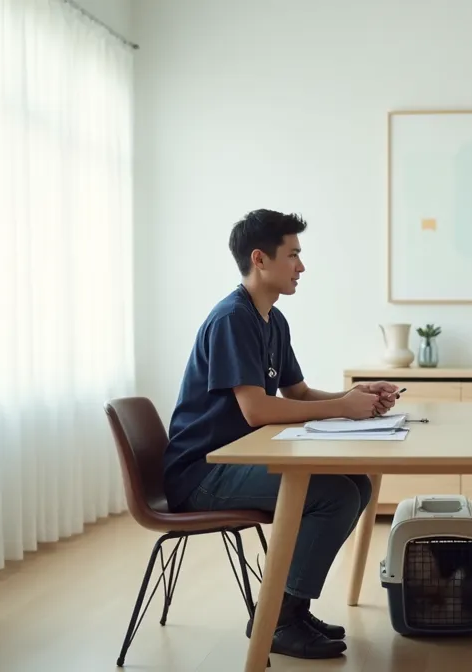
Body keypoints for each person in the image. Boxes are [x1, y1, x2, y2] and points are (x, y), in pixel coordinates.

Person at [162, 209, 400, 660]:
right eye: (293, 255)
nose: (301, 266)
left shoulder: (273, 319)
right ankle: (280, 617)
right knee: (336, 495)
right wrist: (342, 410)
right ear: (260, 259)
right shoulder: (232, 318)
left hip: (236, 462)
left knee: (356, 485)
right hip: (202, 474)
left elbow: (300, 393)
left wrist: (354, 397)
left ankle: (287, 606)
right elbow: (256, 411)